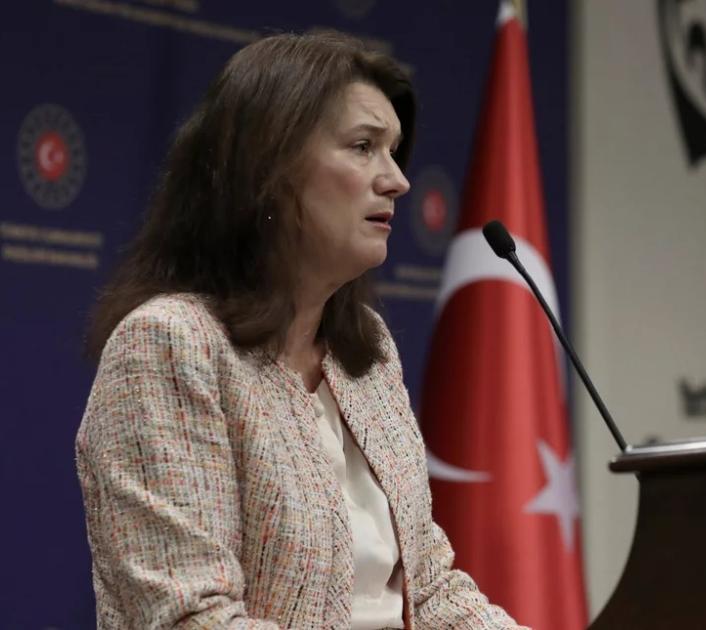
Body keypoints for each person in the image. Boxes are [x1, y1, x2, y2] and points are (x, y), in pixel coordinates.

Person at [76, 31, 523, 629]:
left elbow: (430, 590)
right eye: (363, 147)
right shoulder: (169, 346)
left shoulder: (365, 351)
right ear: (270, 167)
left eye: (393, 152)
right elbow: (192, 617)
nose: (397, 180)